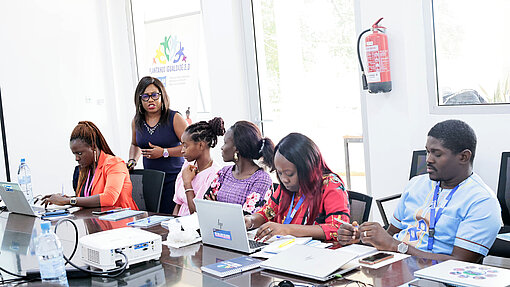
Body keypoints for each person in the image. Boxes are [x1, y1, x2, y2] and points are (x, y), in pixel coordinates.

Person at [338, 120, 501, 263]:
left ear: (464, 157)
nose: (428, 159)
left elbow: (459, 263)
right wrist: (362, 237)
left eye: (437, 154)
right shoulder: (416, 184)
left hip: (436, 279)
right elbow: (391, 234)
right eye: (428, 151)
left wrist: (396, 246)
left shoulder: (482, 202)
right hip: (391, 264)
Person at [244, 133, 350, 241]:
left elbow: (338, 228)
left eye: (289, 174)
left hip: (316, 253)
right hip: (283, 249)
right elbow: (267, 213)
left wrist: (287, 229)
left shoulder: (330, 185)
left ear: (308, 168)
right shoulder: (285, 188)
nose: (284, 179)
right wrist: (251, 220)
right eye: (279, 173)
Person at [42, 121, 138, 209]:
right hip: (97, 221)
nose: (76, 158)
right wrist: (65, 199)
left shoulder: (114, 164)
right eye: (74, 154)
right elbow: (87, 198)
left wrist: (68, 201)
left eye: (79, 153)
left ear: (93, 147)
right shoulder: (85, 169)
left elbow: (109, 198)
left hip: (122, 222)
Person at [128, 76, 187, 214]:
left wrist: (164, 152)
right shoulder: (137, 121)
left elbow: (190, 147)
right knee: (153, 218)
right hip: (151, 181)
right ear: (139, 99)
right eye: (145, 96)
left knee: (171, 220)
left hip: (174, 179)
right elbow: (135, 144)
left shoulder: (174, 118)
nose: (150, 100)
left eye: (155, 95)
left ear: (162, 95)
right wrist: (132, 161)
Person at [204, 121, 274, 214]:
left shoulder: (262, 180)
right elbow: (205, 204)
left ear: (236, 148)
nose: (222, 147)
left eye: (225, 143)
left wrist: (217, 208)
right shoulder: (224, 172)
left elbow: (247, 218)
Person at [173, 117, 225, 216]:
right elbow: (178, 204)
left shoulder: (214, 174)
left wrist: (187, 183)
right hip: (179, 223)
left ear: (201, 145)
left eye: (185, 146)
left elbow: (197, 213)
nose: (182, 151)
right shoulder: (187, 165)